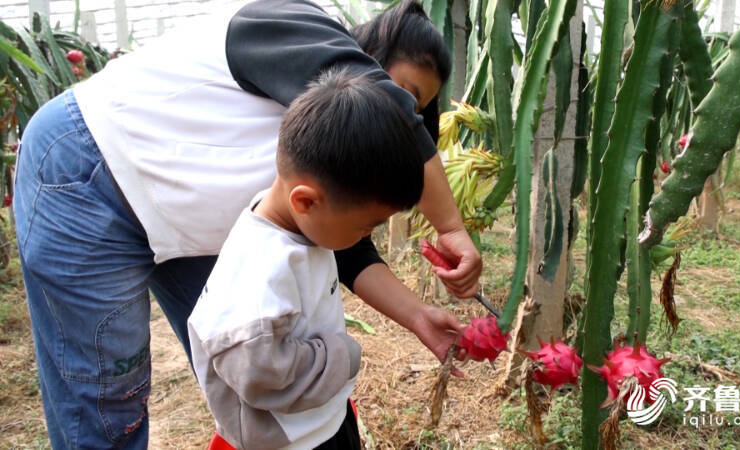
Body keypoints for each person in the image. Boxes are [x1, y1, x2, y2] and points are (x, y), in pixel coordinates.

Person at [13, 0, 481, 447]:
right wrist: (451, 229)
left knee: (250, 374)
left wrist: (418, 317)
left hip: (175, 209)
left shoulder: (324, 160)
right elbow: (388, 110)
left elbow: (345, 245)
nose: (408, 120)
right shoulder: (294, 25)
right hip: (86, 175)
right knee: (110, 403)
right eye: (406, 100)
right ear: (369, 62)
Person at [190, 68, 423, 450]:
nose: (367, 237)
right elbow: (255, 367)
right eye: (366, 227)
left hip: (317, 420)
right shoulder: (261, 269)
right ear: (306, 201)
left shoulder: (301, 228)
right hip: (289, 440)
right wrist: (343, 355)